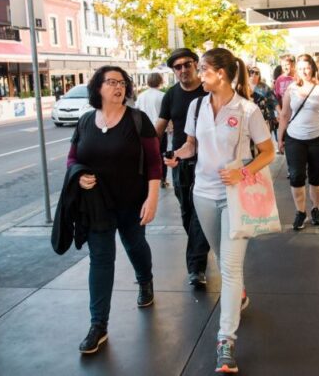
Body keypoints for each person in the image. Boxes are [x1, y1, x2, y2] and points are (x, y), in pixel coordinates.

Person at [165, 48, 274, 374]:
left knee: (228, 267)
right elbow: (191, 145)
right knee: (221, 257)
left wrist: (243, 172)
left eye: (202, 69)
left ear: (221, 74)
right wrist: (176, 154)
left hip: (236, 196)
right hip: (202, 194)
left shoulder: (247, 110)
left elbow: (268, 152)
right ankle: (238, 292)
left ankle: (225, 342)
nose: (198, 74)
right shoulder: (196, 106)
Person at [65, 65, 161, 355]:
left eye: (122, 83)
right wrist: (79, 175)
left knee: (135, 245)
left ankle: (145, 280)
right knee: (101, 260)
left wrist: (153, 197)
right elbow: (72, 159)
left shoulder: (137, 119)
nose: (118, 87)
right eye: (111, 82)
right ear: (98, 88)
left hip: (132, 201)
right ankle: (98, 325)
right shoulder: (84, 122)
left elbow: (155, 161)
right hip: (97, 207)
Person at [155, 48, 211, 288]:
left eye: (187, 64)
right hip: (180, 162)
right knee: (188, 212)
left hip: (208, 161)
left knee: (201, 212)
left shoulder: (208, 90)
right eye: (177, 67)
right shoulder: (171, 95)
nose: (183, 70)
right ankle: (199, 248)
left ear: (196, 64)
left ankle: (196, 267)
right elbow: (159, 128)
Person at [277, 54, 319, 230]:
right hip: (295, 139)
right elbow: (285, 115)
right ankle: (300, 212)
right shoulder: (291, 89)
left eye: (307, 67)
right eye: (301, 68)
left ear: (313, 67)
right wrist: (280, 138)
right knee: (296, 176)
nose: (304, 71)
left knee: (316, 177)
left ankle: (316, 210)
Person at [137, 73, 169, 186]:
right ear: (160, 81)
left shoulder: (141, 96)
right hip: (160, 130)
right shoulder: (163, 96)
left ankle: (147, 178)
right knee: (161, 155)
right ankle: (162, 179)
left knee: (146, 155)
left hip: (144, 131)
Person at [249, 66, 278, 141]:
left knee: (264, 140)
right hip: (248, 119)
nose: (254, 74)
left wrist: (280, 113)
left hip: (264, 118)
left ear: (259, 76)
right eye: (252, 72)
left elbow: (274, 101)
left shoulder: (264, 87)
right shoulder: (243, 86)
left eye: (257, 73)